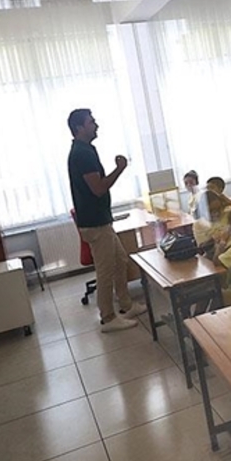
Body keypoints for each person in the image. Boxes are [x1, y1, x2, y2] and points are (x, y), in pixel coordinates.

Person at [66, 108, 147, 333]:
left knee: (120, 260)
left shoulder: (86, 150)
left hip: (101, 220)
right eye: (91, 122)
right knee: (106, 270)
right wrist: (119, 169)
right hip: (95, 223)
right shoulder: (82, 154)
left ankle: (126, 305)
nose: (96, 125)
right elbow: (99, 188)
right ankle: (108, 317)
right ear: (79, 128)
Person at [193, 191, 231, 257]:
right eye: (211, 210)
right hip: (214, 254)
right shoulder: (199, 224)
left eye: (219, 209)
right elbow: (202, 247)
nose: (216, 213)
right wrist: (213, 239)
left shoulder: (229, 214)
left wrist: (230, 202)